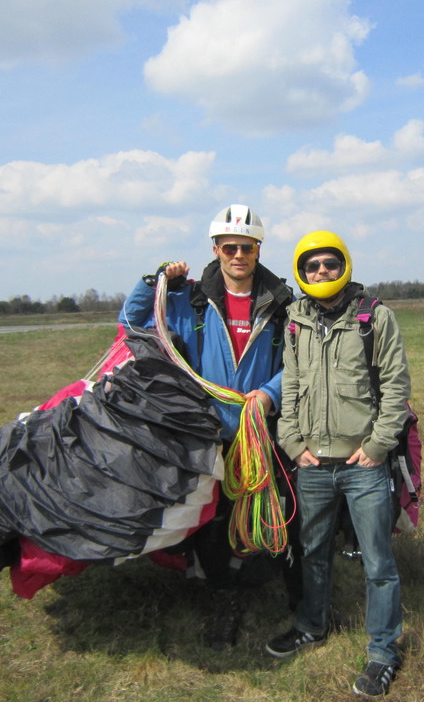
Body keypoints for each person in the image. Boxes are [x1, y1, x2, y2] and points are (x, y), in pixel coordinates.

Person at [118, 203, 293, 649]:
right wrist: (154, 283)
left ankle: (241, 576)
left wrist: (269, 393)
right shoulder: (187, 299)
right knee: (208, 514)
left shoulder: (279, 306)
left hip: (256, 429)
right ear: (215, 249)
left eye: (247, 247)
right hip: (202, 429)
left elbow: (297, 361)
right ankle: (219, 590)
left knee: (246, 509)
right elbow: (131, 323)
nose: (239, 255)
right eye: (230, 247)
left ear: (258, 250)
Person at [265, 231, 411, 698]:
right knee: (312, 552)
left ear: (344, 264)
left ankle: (383, 652)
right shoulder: (294, 322)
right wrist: (290, 441)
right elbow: (289, 389)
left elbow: (395, 388)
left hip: (363, 464)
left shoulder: (375, 318)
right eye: (312, 267)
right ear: (301, 274)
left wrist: (377, 447)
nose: (322, 272)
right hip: (312, 465)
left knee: (377, 561)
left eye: (330, 263)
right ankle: (313, 625)